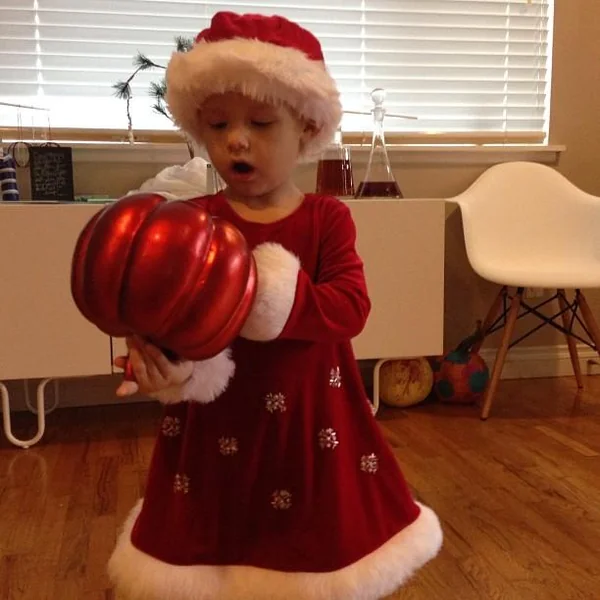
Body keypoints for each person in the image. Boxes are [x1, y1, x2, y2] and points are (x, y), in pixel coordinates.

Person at [108, 11, 442, 600]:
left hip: (312, 424)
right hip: (217, 422)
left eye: (261, 122)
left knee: (308, 545)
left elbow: (350, 306)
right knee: (219, 536)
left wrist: (275, 294)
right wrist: (161, 364)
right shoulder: (194, 221)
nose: (236, 139)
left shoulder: (326, 218)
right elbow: (166, 315)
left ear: (306, 128)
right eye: (217, 124)